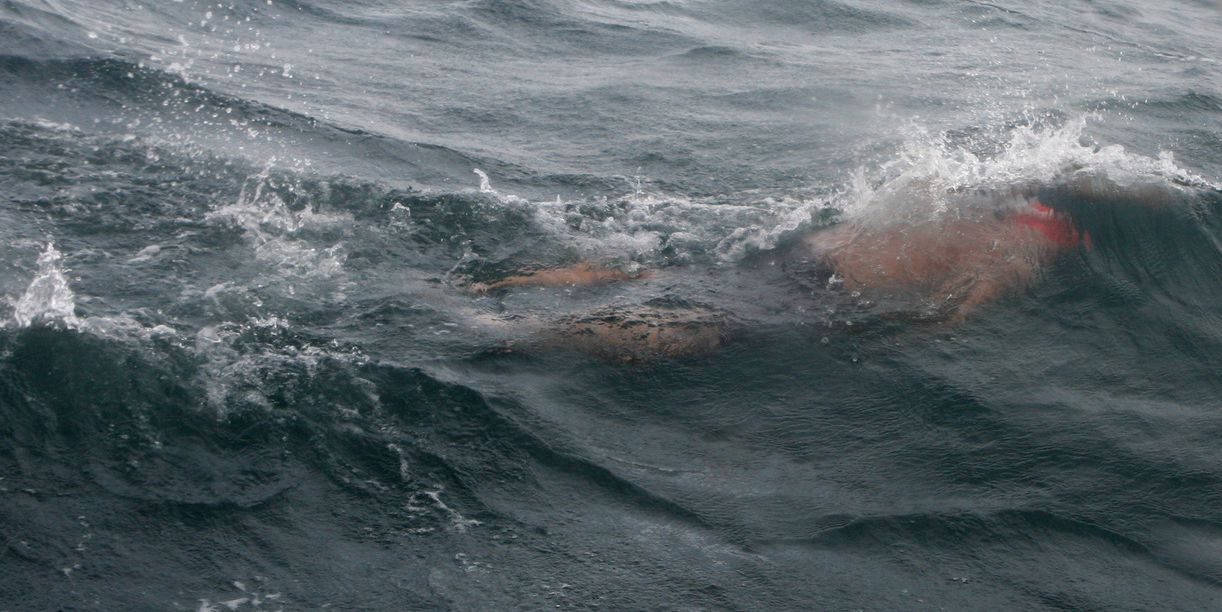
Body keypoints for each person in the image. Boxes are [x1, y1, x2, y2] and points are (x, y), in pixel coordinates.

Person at [464, 192, 1089, 359]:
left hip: (798, 253)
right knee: (698, 330)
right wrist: (900, 334)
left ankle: (491, 289)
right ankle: (518, 331)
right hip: (818, 291)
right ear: (1072, 227)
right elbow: (956, 314)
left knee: (649, 274)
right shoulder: (1023, 250)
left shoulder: (980, 198)